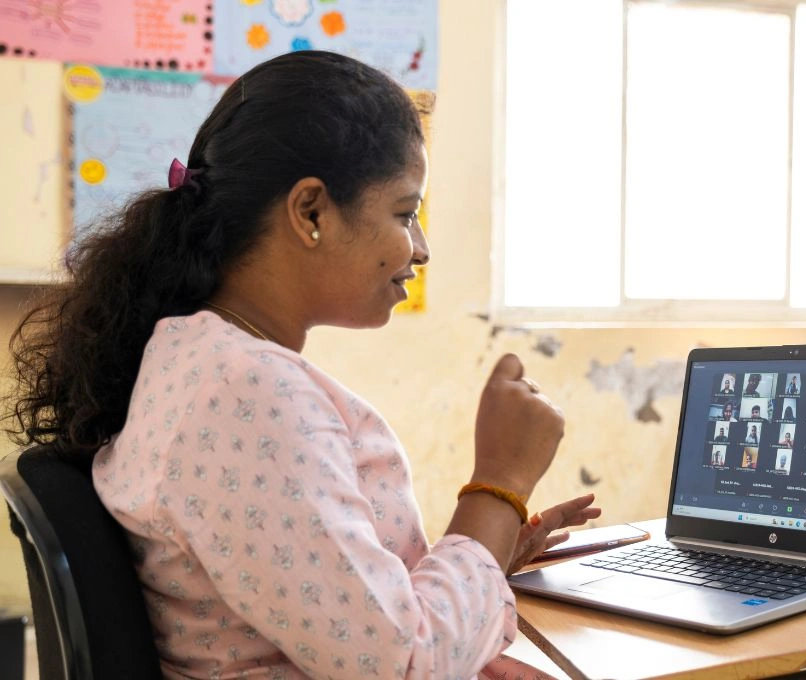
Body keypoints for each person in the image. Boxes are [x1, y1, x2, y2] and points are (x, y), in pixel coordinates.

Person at [2, 52, 599, 679]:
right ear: (311, 211)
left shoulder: (197, 355)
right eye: (404, 212)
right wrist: (500, 484)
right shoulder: (248, 392)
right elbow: (402, 665)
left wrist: (489, 550)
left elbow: (325, 597)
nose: (419, 248)